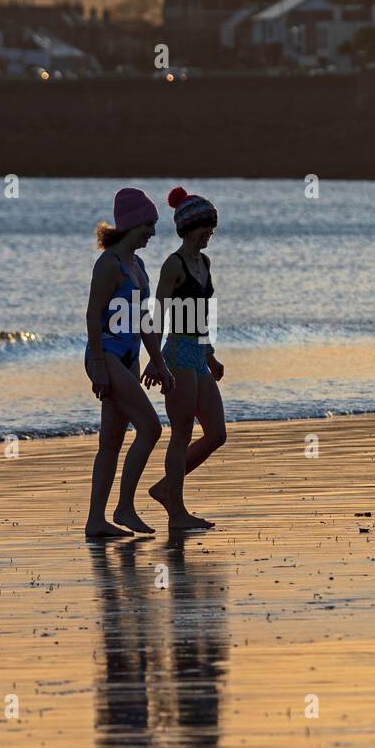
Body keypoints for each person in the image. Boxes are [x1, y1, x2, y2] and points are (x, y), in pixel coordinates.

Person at [84, 187, 174, 539]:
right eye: (149, 224)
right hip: (105, 355)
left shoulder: (139, 267)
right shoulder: (109, 264)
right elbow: (92, 316)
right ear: (133, 224)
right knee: (151, 429)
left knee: (111, 441)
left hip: (129, 357)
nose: (152, 232)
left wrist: (160, 363)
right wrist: (101, 369)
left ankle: (96, 520)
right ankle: (124, 507)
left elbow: (144, 321)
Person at [146, 186, 226, 532]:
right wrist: (154, 359)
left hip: (197, 353)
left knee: (216, 434)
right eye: (205, 228)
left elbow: (201, 314)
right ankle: (176, 512)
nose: (209, 234)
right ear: (188, 228)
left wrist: (210, 354)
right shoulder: (173, 264)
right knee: (180, 434)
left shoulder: (204, 262)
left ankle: (166, 488)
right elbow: (158, 314)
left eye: (211, 228)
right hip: (176, 353)